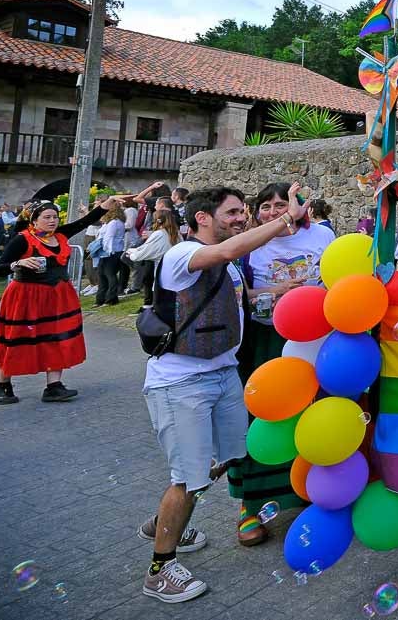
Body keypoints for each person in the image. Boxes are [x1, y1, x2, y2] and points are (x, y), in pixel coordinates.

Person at [139, 184, 307, 603]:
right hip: (182, 383)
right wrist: (288, 219)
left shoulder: (228, 265)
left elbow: (240, 298)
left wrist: (281, 292)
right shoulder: (182, 255)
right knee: (187, 476)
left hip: (223, 374)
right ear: (202, 218)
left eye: (240, 212)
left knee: (226, 457)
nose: (241, 217)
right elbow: (225, 253)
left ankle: (161, 521)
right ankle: (161, 568)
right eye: (232, 212)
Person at [226, 182, 330, 546]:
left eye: (281, 204)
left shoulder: (324, 237)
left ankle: (305, 490)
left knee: (309, 416)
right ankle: (249, 506)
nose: (273, 211)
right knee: (260, 417)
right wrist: (274, 293)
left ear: (301, 205)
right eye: (266, 205)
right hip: (262, 343)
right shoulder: (248, 244)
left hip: (311, 343)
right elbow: (236, 293)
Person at [0, 193, 130, 404]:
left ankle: (53, 386)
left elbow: (85, 221)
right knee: (16, 338)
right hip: (26, 296)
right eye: (47, 217)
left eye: (55, 216)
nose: (52, 220)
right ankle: (2, 384)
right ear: (34, 220)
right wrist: (17, 264)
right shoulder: (22, 239)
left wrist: (107, 205)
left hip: (58, 296)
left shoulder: (61, 234)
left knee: (58, 338)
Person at [126, 209, 180, 308]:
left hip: (162, 275)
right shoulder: (176, 233)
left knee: (162, 306)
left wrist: (132, 254)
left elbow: (145, 251)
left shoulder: (159, 234)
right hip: (174, 273)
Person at [94, 206, 128, 306]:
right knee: (103, 274)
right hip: (114, 250)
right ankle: (102, 298)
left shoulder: (114, 223)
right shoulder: (118, 222)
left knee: (108, 274)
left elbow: (109, 237)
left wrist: (106, 251)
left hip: (110, 251)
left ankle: (110, 298)